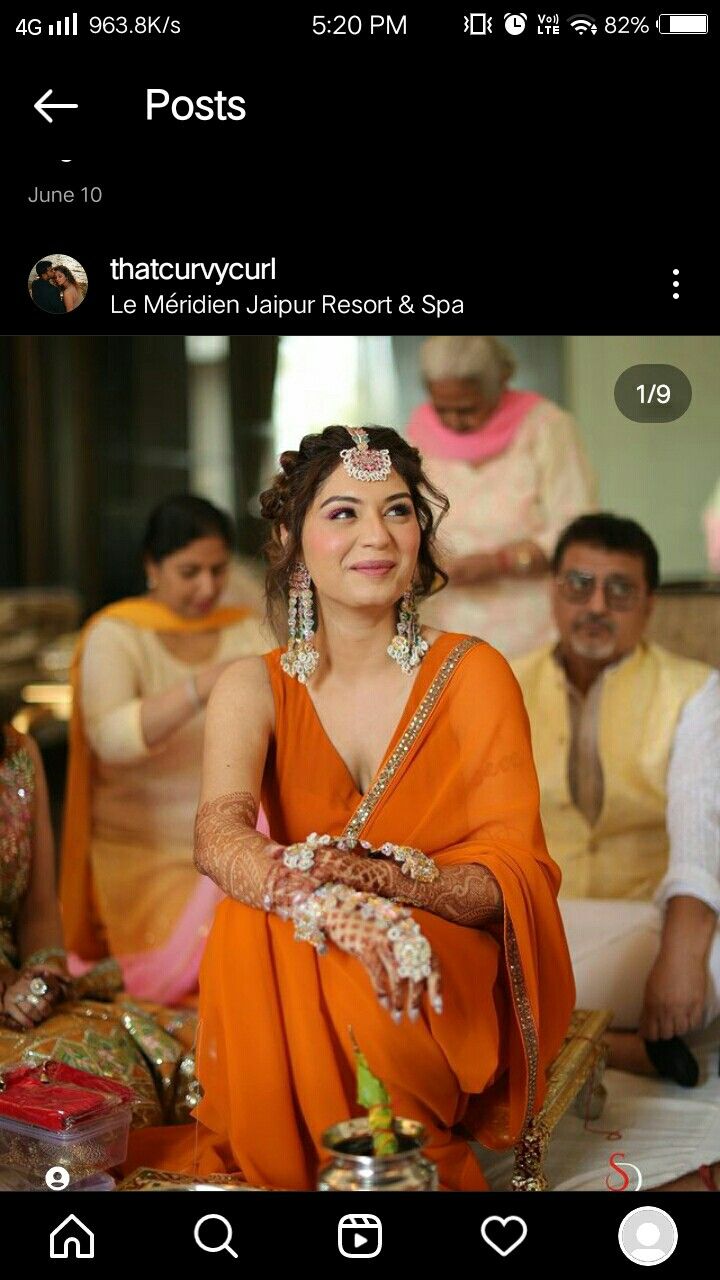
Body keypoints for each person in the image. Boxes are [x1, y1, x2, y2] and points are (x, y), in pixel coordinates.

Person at [131, 425, 575, 1192]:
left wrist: (382, 890)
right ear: (288, 539)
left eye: (398, 511)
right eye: (343, 513)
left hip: (436, 952)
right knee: (251, 915)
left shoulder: (473, 673)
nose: (377, 536)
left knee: (345, 961)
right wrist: (323, 902)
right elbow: (218, 834)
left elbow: (510, 875)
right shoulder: (254, 683)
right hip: (307, 935)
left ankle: (392, 1151)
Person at [511, 513, 720, 1088]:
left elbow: (700, 831)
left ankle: (543, 1039)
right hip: (542, 921)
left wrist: (680, 956)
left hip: (647, 923)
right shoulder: (501, 682)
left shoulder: (696, 691)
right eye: (579, 585)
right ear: (554, 595)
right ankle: (624, 1046)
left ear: (649, 605)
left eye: (620, 590)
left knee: (712, 957)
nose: (596, 605)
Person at [60, 494, 268, 1002]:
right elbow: (111, 740)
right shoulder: (116, 633)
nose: (207, 587)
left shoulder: (243, 627)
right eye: (189, 571)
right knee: (210, 975)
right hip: (143, 849)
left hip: (235, 841)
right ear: (152, 567)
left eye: (218, 570)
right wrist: (203, 686)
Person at [0, 724, 200, 1129]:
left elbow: (38, 912)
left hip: (16, 999)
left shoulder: (17, 753)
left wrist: (42, 978)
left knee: (124, 1074)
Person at [408, 335, 596, 656]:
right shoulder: (417, 433)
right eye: (442, 409)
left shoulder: (548, 427)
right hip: (445, 619)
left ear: (501, 383)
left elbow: (577, 527)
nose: (454, 421)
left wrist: (500, 563)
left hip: (534, 627)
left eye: (467, 409)